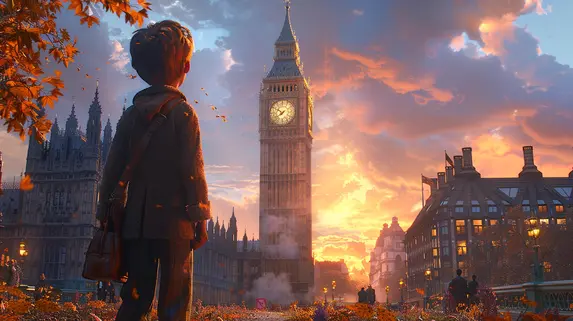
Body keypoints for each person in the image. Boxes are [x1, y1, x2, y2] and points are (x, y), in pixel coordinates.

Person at [97, 20, 211, 321]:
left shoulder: (132, 115)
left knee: (134, 298)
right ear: (185, 68)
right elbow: (193, 171)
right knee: (174, 301)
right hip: (176, 224)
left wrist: (105, 213)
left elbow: (112, 171)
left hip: (136, 224)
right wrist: (200, 218)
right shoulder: (184, 113)